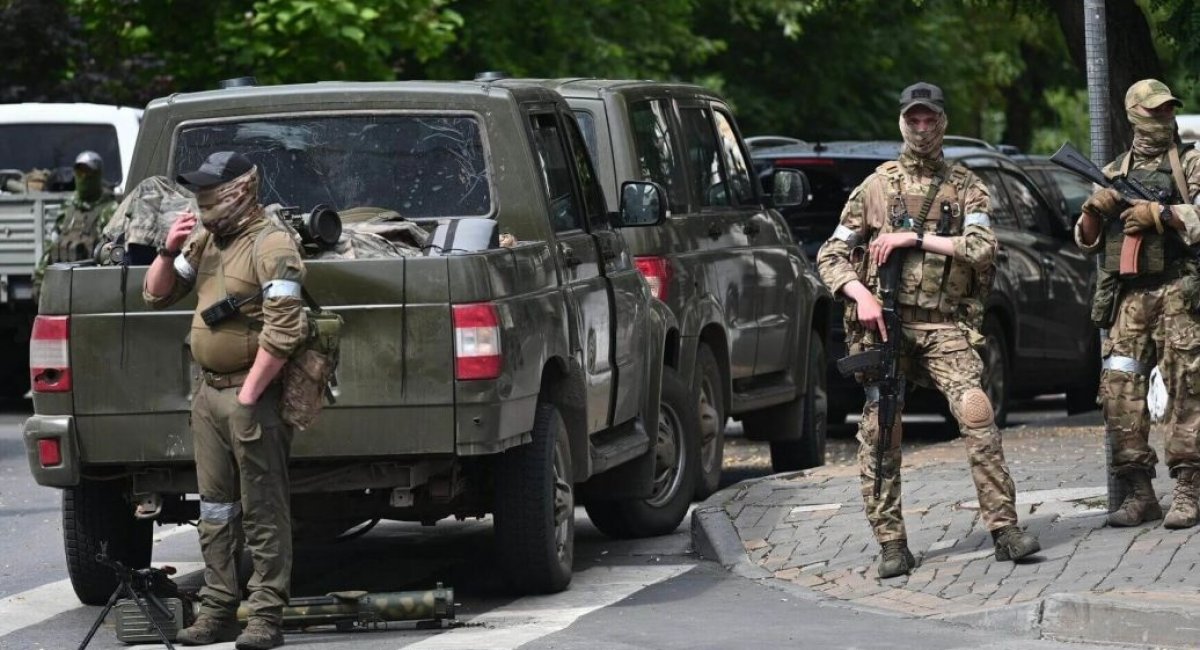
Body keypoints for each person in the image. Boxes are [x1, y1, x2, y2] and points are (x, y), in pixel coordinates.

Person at [816, 82, 1040, 579]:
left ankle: (1004, 529)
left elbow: (982, 247)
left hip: (943, 326)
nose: (922, 128)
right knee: (881, 430)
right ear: (902, 121)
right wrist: (861, 293)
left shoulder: (966, 186)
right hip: (887, 330)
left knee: (977, 413)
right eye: (913, 119)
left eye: (930, 119)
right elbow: (830, 254)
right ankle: (892, 543)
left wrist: (915, 237)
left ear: (943, 122)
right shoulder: (875, 187)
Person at [144, 151, 307, 649]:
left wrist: (250, 396)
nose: (204, 197)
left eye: (213, 187)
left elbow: (284, 331)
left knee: (262, 509)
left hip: (248, 394)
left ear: (240, 188)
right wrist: (168, 251)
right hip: (209, 393)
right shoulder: (206, 239)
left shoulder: (272, 244)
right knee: (214, 509)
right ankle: (217, 609)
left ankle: (264, 617)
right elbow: (156, 294)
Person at [1076, 79, 1200, 530]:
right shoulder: (1113, 171)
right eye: (1155, 111)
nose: (1163, 118)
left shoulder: (1190, 163)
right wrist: (1094, 209)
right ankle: (1140, 492)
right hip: (1130, 299)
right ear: (1134, 116)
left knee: (1188, 388)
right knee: (1119, 392)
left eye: (1169, 111)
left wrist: (1162, 214)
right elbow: (1087, 241)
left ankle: (1188, 488)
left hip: (1179, 292)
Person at [32, 151, 117, 294]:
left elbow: (113, 255)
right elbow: (51, 245)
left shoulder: (110, 210)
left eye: (88, 172)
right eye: (79, 172)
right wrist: (40, 279)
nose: (83, 177)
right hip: (62, 286)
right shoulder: (68, 209)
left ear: (97, 175)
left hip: (93, 287)